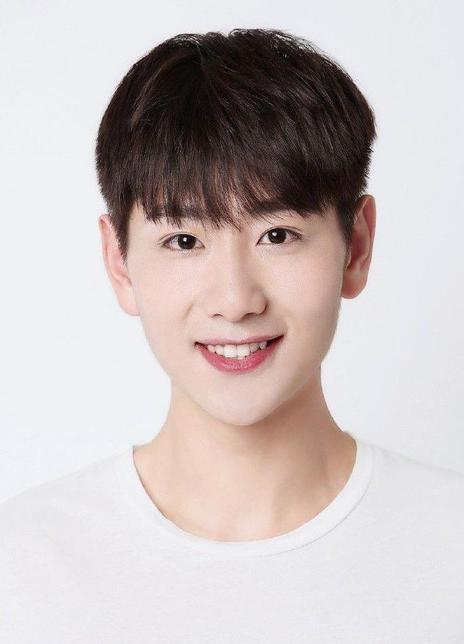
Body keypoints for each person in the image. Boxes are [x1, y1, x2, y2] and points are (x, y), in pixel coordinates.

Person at [1, 27, 463, 643]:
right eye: (183, 241)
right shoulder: (23, 568)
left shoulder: (450, 550)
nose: (235, 301)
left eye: (278, 235)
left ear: (355, 246)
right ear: (120, 262)